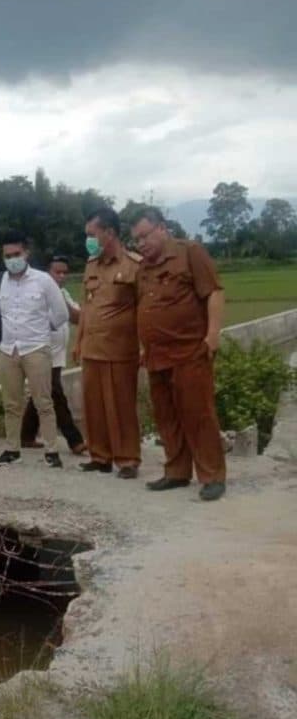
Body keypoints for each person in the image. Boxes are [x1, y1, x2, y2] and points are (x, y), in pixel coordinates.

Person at [131, 207, 226, 501]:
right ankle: (177, 472)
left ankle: (212, 476)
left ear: (162, 228)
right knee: (166, 416)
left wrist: (212, 336)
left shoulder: (190, 252)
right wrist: (144, 346)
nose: (141, 244)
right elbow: (145, 309)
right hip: (156, 355)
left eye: (145, 236)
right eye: (136, 240)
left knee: (198, 414)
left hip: (189, 351)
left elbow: (214, 292)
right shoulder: (143, 269)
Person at [0, 230, 68, 468]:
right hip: (8, 350)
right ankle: (12, 449)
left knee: (44, 402)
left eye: (16, 254)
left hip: (36, 348)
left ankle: (52, 451)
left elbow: (61, 313)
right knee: (11, 404)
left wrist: (43, 328)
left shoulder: (43, 280)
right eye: (8, 256)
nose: (12, 259)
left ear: (26, 253)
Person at [72, 207, 142, 478]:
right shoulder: (91, 265)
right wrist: (78, 342)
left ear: (109, 232)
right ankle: (100, 456)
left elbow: (145, 309)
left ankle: (128, 459)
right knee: (94, 406)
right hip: (92, 348)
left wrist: (145, 345)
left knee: (122, 406)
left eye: (92, 234)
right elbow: (86, 307)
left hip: (120, 349)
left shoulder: (133, 265)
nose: (88, 240)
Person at [20, 254, 86, 454]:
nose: (61, 276)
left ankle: (26, 436)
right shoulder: (36, 295)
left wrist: (61, 300)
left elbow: (77, 318)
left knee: (41, 393)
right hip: (41, 353)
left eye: (65, 273)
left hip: (58, 355)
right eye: (57, 272)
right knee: (56, 394)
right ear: (47, 273)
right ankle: (74, 440)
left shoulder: (63, 293)